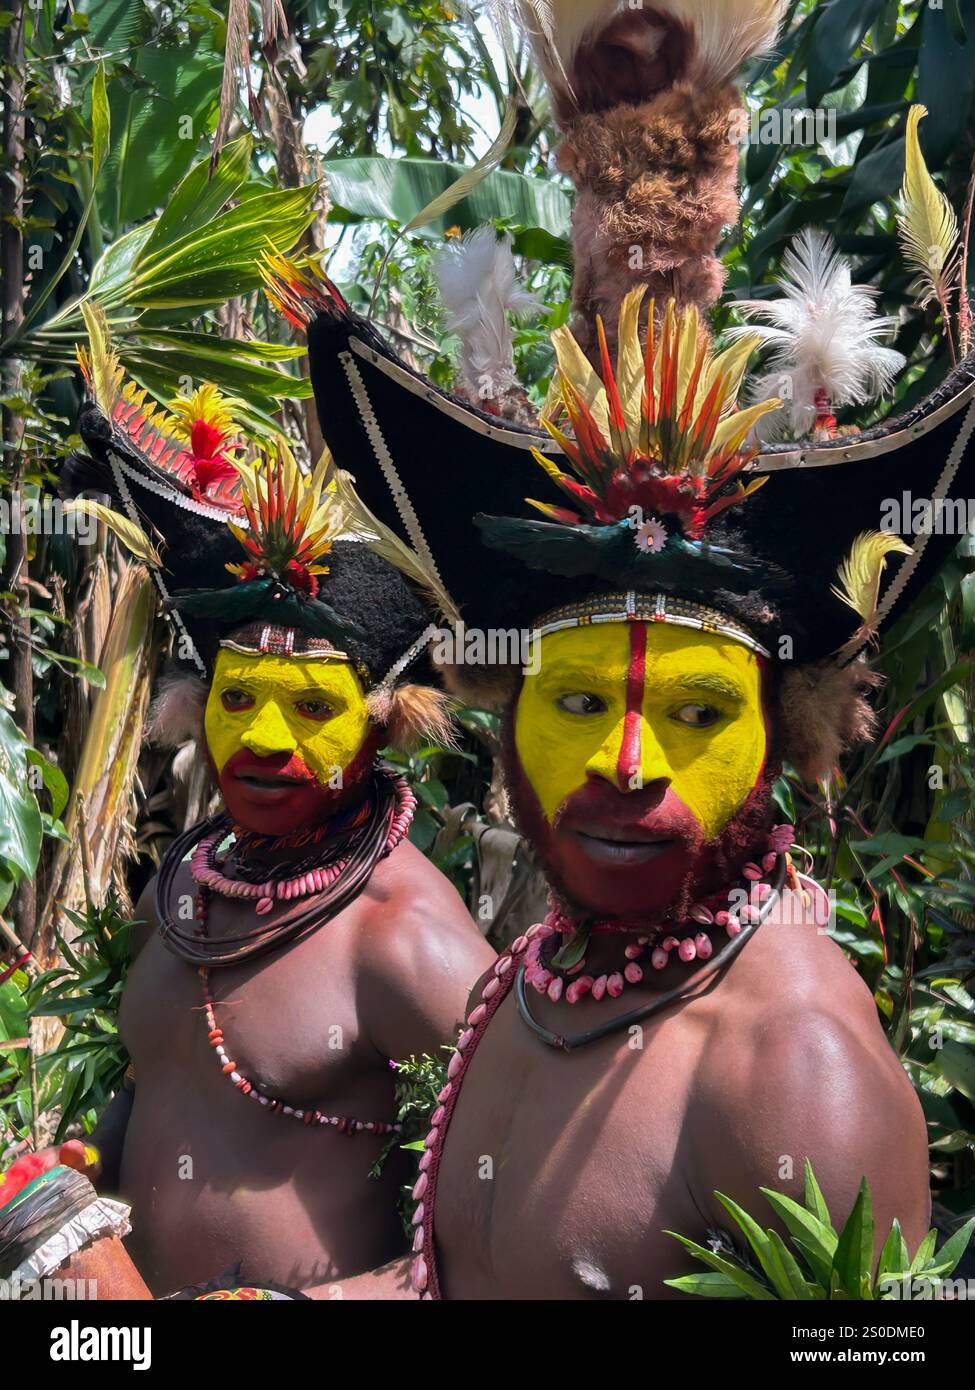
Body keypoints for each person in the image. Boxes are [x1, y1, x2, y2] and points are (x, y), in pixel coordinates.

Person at [284, 0, 975, 1298]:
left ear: (787, 732)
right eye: (579, 695)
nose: (622, 759)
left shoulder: (787, 1071)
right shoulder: (535, 981)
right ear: (498, 706)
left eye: (699, 713)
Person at [57, 349, 493, 1297]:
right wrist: (74, 1174)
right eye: (240, 696)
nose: (263, 740)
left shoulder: (407, 943)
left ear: (382, 725)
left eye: (309, 707)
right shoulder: (183, 884)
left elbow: (495, 1231)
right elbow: (160, 1086)